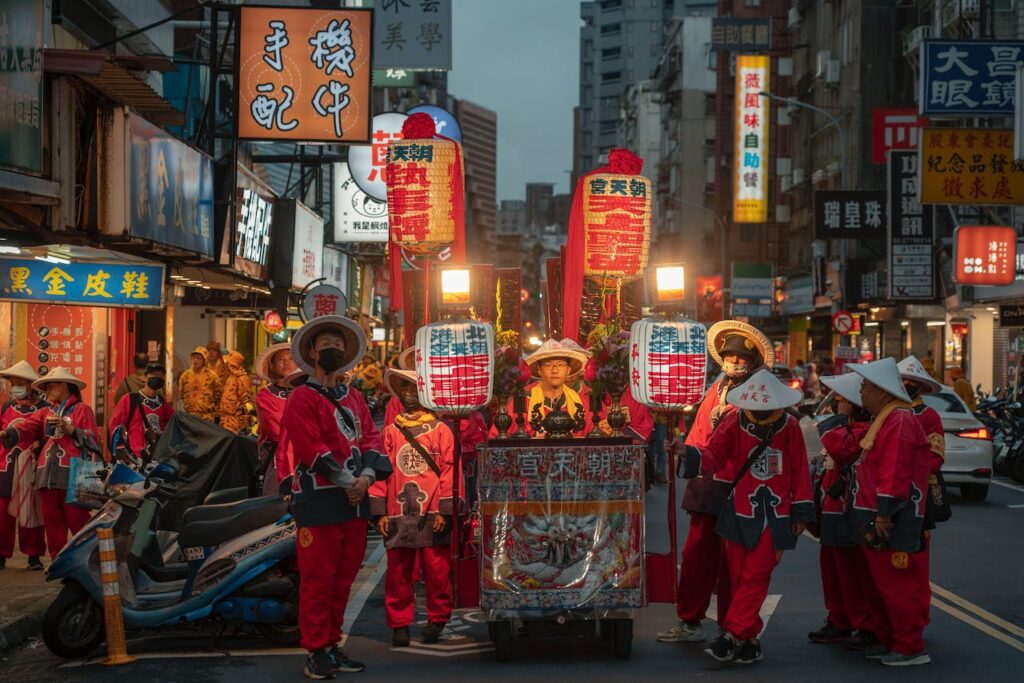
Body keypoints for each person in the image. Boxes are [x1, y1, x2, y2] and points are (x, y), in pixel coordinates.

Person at [281, 315, 392, 680]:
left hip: (354, 499)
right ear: (311, 352)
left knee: (344, 578)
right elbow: (311, 448)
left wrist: (365, 477)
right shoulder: (301, 397)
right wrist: (349, 480)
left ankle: (332, 644)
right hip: (319, 499)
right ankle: (315, 650)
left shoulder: (354, 396)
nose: (332, 349)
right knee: (318, 579)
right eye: (325, 344)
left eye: (337, 345)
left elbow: (372, 440)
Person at [682, 368, 814, 664]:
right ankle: (750, 640)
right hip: (739, 510)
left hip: (775, 515)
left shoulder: (790, 427)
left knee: (756, 575)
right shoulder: (734, 421)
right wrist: (687, 453)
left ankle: (731, 635)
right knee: (739, 576)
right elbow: (713, 456)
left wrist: (801, 511)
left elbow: (800, 471)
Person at [658, 320, 774, 645]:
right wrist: (689, 454)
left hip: (741, 486)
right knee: (696, 556)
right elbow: (699, 429)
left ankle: (732, 626)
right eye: (730, 357)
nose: (734, 363)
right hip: (708, 481)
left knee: (732, 563)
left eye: (741, 359)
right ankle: (691, 621)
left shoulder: (759, 394)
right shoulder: (718, 386)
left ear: (752, 363)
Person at [839, 359, 932, 666]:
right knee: (879, 585)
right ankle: (888, 638)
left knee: (898, 586)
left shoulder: (899, 420)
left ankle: (908, 645)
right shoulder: (887, 417)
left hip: (894, 518)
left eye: (866, 386)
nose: (861, 392)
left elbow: (895, 472)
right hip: (873, 514)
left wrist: (884, 513)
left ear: (881, 391)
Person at [370, 366, 460, 648]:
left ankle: (437, 619)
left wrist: (445, 510)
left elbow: (450, 471)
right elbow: (380, 471)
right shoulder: (389, 432)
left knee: (436, 570)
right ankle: (399, 624)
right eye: (404, 389)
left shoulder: (442, 430)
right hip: (398, 509)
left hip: (432, 509)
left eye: (415, 388)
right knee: (398, 572)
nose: (409, 394)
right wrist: (379, 511)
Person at [809, 371, 879, 650]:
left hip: (849, 509)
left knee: (853, 572)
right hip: (832, 507)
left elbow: (841, 450)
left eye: (842, 398)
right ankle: (839, 619)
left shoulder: (863, 430)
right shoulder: (848, 426)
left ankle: (865, 624)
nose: (837, 401)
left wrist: (838, 419)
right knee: (833, 570)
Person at [1, 368, 99, 560]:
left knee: (77, 519)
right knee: (53, 522)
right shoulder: (47, 411)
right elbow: (29, 425)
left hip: (75, 472)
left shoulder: (82, 409)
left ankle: (90, 558)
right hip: (47, 472)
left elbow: (93, 439)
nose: (48, 390)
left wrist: (71, 429)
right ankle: (58, 561)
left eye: (51, 385)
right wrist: (7, 433)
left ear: (65, 385)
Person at [0, 361, 47, 570]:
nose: (14, 386)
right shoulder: (5, 408)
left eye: (19, 382)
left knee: (32, 511)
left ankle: (34, 555)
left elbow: (48, 436)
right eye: (12, 382)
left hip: (31, 465)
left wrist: (40, 443)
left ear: (30, 384)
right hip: (5, 465)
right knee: (2, 514)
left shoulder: (44, 409)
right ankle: (1, 554)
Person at [491, 339, 589, 437]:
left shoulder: (579, 402)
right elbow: (497, 437)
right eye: (548, 365)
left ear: (568, 370)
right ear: (539, 370)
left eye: (560, 364)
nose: (555, 370)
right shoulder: (523, 399)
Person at [254, 343, 299, 493]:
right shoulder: (265, 395)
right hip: (276, 459)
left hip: (304, 457)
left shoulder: (304, 392)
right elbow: (276, 431)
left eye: (291, 359)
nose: (286, 362)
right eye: (280, 359)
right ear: (271, 365)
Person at [110, 362, 174, 463]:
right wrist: (121, 452)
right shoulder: (129, 399)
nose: (157, 377)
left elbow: (173, 423)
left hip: (157, 460)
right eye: (153, 374)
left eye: (161, 375)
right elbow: (115, 426)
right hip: (134, 459)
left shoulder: (162, 402)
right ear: (144, 377)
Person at [179, 347, 221, 422]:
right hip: (190, 416)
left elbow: (218, 395)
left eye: (199, 358)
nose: (195, 360)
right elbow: (182, 394)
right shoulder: (185, 376)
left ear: (204, 361)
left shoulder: (212, 376)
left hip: (207, 417)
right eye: (194, 358)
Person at [220, 351, 252, 434]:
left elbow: (247, 400)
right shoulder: (230, 376)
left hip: (236, 420)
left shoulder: (242, 378)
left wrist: (246, 421)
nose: (228, 364)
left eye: (230, 363)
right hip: (225, 418)